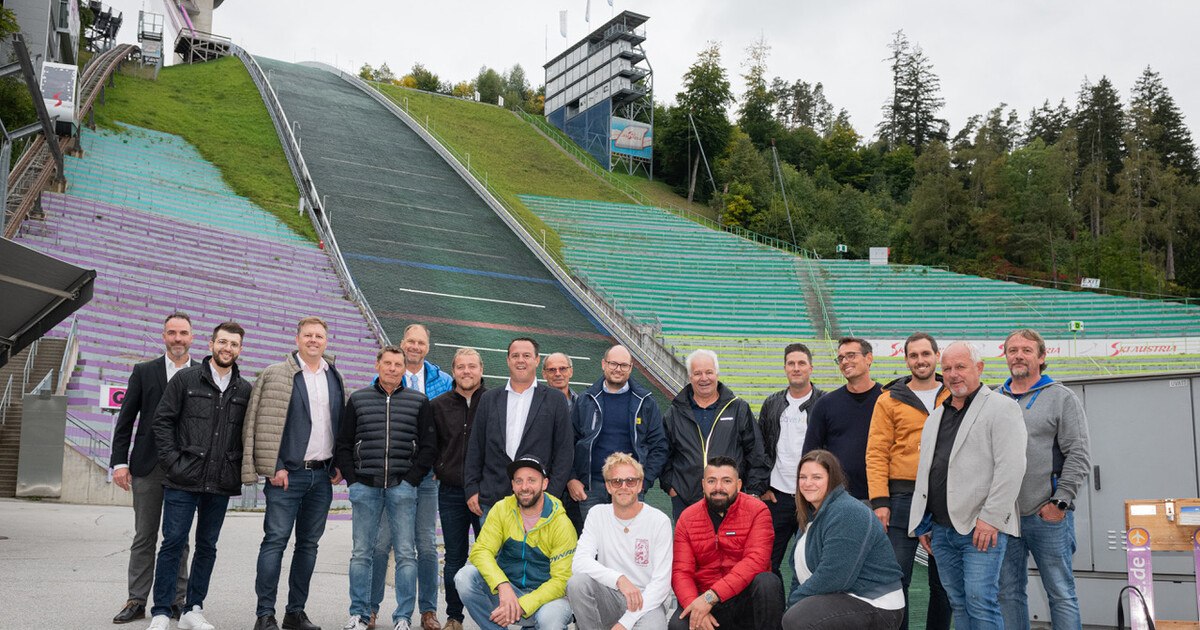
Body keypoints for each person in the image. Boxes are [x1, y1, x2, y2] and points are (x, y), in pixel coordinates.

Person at [909, 341, 1027, 629]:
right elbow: (927, 471)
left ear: (979, 368)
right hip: (941, 529)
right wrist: (923, 522)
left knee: (981, 602)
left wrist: (991, 519)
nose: (953, 374)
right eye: (947, 368)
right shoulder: (936, 416)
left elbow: (1011, 469)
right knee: (958, 604)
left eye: (960, 367)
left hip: (980, 528)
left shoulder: (1002, 408)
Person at [145, 322, 252, 630]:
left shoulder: (244, 389)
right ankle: (162, 611)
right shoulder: (186, 379)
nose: (227, 348)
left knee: (207, 545)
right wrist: (173, 462)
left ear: (240, 349)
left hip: (220, 481)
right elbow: (162, 422)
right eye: (222, 342)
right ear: (210, 343)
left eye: (233, 344)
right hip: (183, 478)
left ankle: (193, 608)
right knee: (173, 542)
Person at [242, 317, 347, 630]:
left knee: (308, 546)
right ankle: (265, 614)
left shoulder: (334, 376)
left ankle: (295, 612)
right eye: (308, 335)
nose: (314, 340)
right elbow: (259, 421)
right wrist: (272, 466)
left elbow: (337, 423)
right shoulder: (277, 373)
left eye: (319, 336)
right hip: (286, 476)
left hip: (321, 476)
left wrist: (337, 463)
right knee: (275, 541)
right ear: (298, 338)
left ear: (326, 341)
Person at [334, 345, 437, 630]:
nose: (392, 368)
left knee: (406, 553)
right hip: (365, 487)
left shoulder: (419, 401)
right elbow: (343, 443)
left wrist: (411, 480)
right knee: (362, 553)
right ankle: (359, 613)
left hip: (402, 488)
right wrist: (353, 481)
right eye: (388, 363)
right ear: (378, 365)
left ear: (405, 369)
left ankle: (403, 617)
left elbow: (429, 447)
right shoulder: (358, 399)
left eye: (398, 364)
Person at [998, 329, 1090, 630]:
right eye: (1013, 350)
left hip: (1046, 515)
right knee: (1008, 593)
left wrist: (1059, 502)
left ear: (1041, 356)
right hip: (1004, 518)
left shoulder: (1061, 397)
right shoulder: (993, 398)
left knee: (1061, 593)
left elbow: (1078, 454)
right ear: (1005, 355)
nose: (1018, 355)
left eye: (1026, 350)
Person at [110, 312, 196, 624]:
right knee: (144, 536)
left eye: (183, 333)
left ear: (192, 337)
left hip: (186, 469)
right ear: (164, 336)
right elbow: (126, 420)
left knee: (179, 538)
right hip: (147, 466)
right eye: (172, 333)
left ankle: (177, 600)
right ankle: (136, 600)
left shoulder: (203, 373)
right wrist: (119, 462)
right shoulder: (144, 371)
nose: (178, 338)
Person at [865, 332, 952, 630]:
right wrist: (880, 502)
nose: (920, 360)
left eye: (925, 354)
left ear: (936, 356)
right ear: (906, 360)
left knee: (943, 584)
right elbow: (876, 453)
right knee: (897, 582)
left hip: (946, 500)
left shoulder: (955, 393)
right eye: (913, 355)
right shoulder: (888, 400)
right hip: (902, 498)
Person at [368, 324, 452, 630]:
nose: (415, 346)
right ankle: (370, 608)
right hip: (391, 477)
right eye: (410, 342)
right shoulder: (385, 377)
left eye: (421, 342)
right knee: (381, 544)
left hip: (428, 478)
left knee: (427, 546)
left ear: (427, 346)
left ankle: (428, 611)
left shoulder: (443, 381)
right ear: (402, 344)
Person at [783, 449, 904, 629]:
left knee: (798, 619)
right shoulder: (810, 516)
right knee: (794, 616)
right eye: (803, 477)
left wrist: (794, 604)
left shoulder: (847, 512)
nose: (808, 483)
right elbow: (798, 575)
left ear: (832, 480)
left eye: (816, 477)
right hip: (840, 597)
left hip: (875, 603)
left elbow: (834, 577)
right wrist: (791, 606)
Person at [455, 455, 576, 630]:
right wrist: (502, 586)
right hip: (508, 595)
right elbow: (481, 551)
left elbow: (561, 580)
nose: (524, 487)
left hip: (547, 600)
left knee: (551, 620)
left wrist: (524, 604)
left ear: (544, 484)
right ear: (512, 485)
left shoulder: (561, 523)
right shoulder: (501, 509)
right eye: (518, 481)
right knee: (465, 577)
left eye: (531, 480)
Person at [464, 337, 574, 519]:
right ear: (508, 360)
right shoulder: (489, 399)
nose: (520, 360)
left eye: (526, 355)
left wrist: (550, 496)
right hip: (492, 501)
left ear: (537, 360)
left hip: (537, 502)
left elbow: (564, 452)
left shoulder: (555, 400)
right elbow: (475, 446)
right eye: (515, 355)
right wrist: (471, 488)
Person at [670, 456, 782, 630]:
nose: (718, 488)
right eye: (712, 481)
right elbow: (681, 572)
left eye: (726, 481)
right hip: (706, 600)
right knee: (678, 625)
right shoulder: (687, 518)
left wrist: (712, 595)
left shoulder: (757, 510)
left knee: (768, 582)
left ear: (738, 485)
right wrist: (696, 606)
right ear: (703, 484)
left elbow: (756, 561)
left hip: (744, 599)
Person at [567, 452, 673, 630]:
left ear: (640, 485)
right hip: (610, 596)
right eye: (616, 481)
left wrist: (625, 623)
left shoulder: (659, 520)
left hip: (647, 602)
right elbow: (579, 563)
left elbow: (661, 584)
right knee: (577, 583)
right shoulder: (597, 514)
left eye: (630, 481)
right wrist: (619, 579)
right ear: (608, 486)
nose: (624, 487)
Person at [568, 345, 668, 529]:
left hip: (629, 487)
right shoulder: (586, 400)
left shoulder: (645, 402)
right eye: (613, 364)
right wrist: (572, 478)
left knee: (628, 542)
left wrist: (644, 482)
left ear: (630, 368)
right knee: (595, 546)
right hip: (592, 487)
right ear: (603, 364)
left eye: (623, 365)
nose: (618, 369)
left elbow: (659, 446)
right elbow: (568, 443)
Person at [661, 350, 767, 521]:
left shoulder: (738, 408)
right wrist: (672, 487)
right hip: (687, 503)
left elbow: (756, 453)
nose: (704, 378)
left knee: (730, 547)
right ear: (690, 377)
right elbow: (663, 454)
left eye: (709, 372)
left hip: (731, 501)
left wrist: (754, 491)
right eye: (697, 373)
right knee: (691, 548)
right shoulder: (675, 413)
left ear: (716, 373)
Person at [431, 348, 487, 630]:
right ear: (453, 371)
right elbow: (433, 445)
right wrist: (437, 467)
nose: (467, 371)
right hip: (451, 491)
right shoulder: (439, 405)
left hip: (486, 493)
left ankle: (492, 615)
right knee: (454, 557)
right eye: (461, 367)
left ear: (481, 369)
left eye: (472, 366)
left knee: (489, 556)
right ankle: (454, 616)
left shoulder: (493, 401)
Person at [758, 342, 825, 575]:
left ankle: (804, 611)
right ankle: (773, 611)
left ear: (811, 368)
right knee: (767, 563)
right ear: (785, 368)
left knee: (808, 563)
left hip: (812, 498)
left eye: (801, 363)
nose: (796, 368)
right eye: (791, 363)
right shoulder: (772, 403)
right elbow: (761, 448)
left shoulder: (824, 403)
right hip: (777, 496)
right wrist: (762, 487)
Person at [802, 337, 881, 501]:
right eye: (841, 358)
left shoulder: (887, 399)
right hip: (837, 498)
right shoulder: (825, 404)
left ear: (869, 358)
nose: (845, 361)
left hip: (879, 499)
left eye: (851, 355)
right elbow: (811, 453)